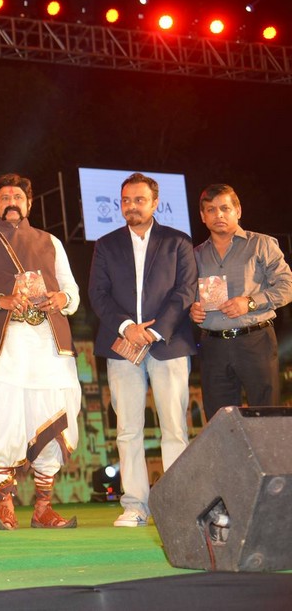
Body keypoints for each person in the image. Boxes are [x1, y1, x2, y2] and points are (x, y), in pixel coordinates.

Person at [0, 173, 81, 531]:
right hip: (4, 348)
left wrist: (61, 298)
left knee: (52, 417)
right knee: (4, 421)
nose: (11, 202)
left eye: (17, 197)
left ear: (28, 203)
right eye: (4, 198)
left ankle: (43, 507)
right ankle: (5, 506)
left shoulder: (51, 242)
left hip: (49, 347)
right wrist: (2, 300)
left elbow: (72, 292)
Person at [88, 173, 197, 528]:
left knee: (174, 428)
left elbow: (185, 291)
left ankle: (177, 506)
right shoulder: (106, 245)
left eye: (139, 200)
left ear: (154, 203)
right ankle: (135, 506)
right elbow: (98, 294)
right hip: (123, 347)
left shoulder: (177, 242)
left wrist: (155, 330)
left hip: (168, 343)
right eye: (126, 200)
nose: (131, 206)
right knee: (128, 430)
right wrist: (127, 328)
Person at [190, 184, 292, 420]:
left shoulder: (261, 244)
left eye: (225, 208)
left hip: (255, 340)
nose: (219, 215)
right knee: (220, 420)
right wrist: (192, 309)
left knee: (266, 416)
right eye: (211, 210)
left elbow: (287, 286)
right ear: (203, 216)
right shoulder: (195, 255)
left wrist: (250, 303)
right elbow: (188, 295)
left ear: (238, 211)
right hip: (213, 346)